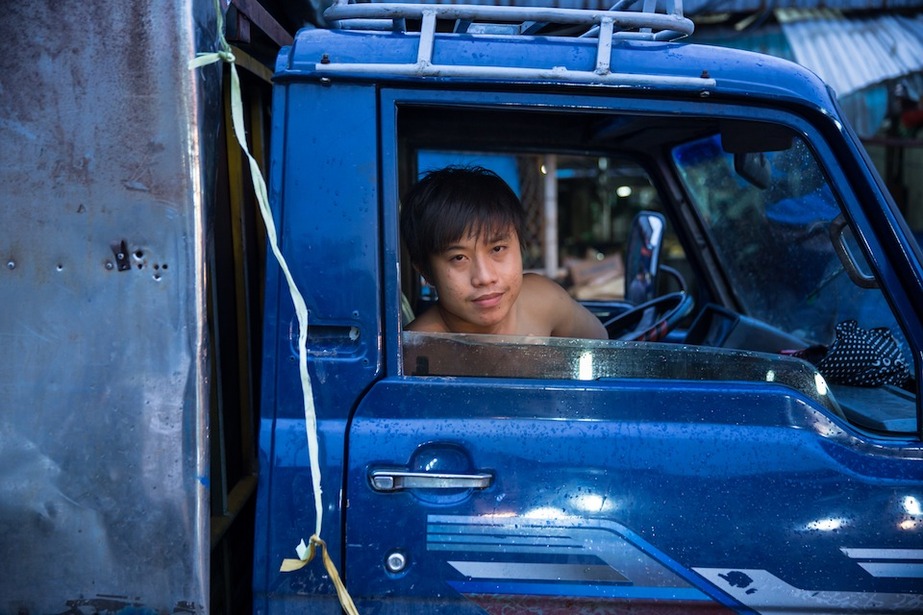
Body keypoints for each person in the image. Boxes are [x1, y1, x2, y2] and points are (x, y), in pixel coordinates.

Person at [400, 165, 608, 339]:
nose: (485, 277)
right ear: (426, 271)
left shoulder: (544, 301)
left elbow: (604, 350)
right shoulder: (418, 351)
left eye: (497, 249)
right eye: (458, 257)